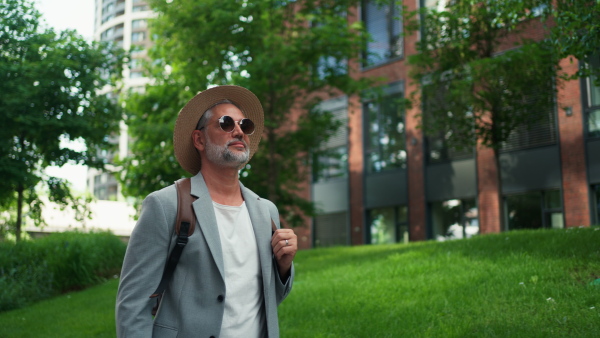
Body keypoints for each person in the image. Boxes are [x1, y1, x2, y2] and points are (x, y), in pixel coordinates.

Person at [116, 85, 297, 338]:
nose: (238, 131)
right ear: (199, 139)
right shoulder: (166, 205)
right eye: (225, 123)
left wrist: (284, 267)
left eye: (244, 125)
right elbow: (133, 305)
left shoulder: (265, 211)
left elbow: (268, 301)